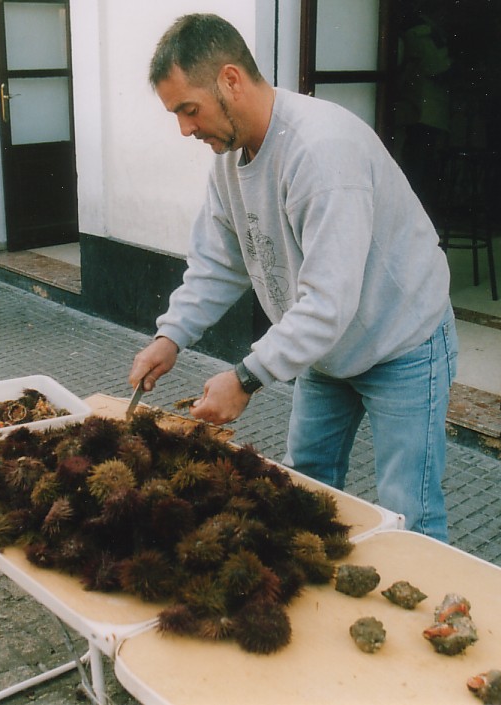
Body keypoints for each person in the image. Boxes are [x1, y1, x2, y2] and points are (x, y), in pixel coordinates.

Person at [129, 14, 458, 540]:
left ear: (230, 80)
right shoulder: (229, 160)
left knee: (408, 513)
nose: (185, 129)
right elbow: (217, 263)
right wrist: (172, 336)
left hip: (402, 344)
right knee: (302, 487)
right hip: (327, 351)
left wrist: (245, 379)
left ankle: (426, 618)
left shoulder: (321, 151)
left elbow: (328, 301)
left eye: (189, 110)